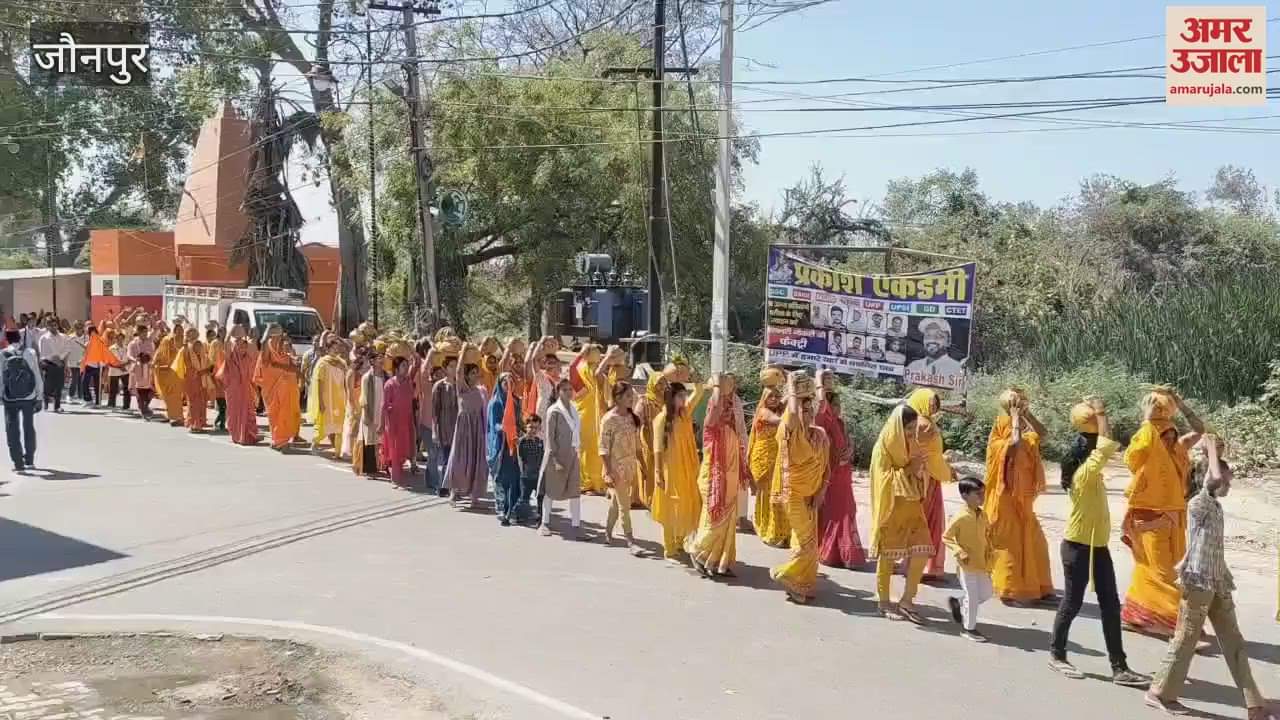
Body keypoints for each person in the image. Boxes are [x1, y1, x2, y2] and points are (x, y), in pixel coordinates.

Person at [1144, 435, 1273, 719]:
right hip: (1197, 581)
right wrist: (1211, 448)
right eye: (1226, 480)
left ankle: (1254, 704)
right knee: (1185, 638)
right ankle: (1159, 693)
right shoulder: (1198, 502)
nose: (1228, 484)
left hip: (1216, 582)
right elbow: (1212, 477)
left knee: (1234, 641)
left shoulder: (1215, 506)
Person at [1050, 398, 1150, 686]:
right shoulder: (1085, 475)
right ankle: (1057, 655)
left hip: (1097, 547)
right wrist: (1103, 413)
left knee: (1110, 604)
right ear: (1087, 455)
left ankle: (1120, 667)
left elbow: (1104, 446)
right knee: (1072, 602)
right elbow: (1107, 445)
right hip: (1078, 547)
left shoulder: (1089, 475)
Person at [1122, 388, 1204, 638]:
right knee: (1160, 571)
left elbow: (1200, 430)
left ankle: (1138, 616)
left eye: (1170, 432)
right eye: (1162, 434)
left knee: (1170, 569)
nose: (1167, 437)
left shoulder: (1179, 449)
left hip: (1175, 517)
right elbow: (1132, 456)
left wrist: (1180, 403)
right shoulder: (1145, 451)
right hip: (1149, 517)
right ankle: (1175, 623)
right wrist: (1148, 420)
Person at [984, 388, 1055, 605]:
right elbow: (1013, 445)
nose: (1020, 427)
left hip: (1024, 502)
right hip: (1004, 501)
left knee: (1036, 544)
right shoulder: (999, 442)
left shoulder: (1026, 438)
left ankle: (1039, 586)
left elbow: (1043, 434)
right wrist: (1014, 419)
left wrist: (1026, 414)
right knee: (1011, 546)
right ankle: (1009, 590)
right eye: (1015, 424)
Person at [770, 371, 829, 604]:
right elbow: (792, 414)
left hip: (811, 495)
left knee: (803, 541)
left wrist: (820, 492)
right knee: (808, 545)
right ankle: (786, 574)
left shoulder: (819, 435)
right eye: (803, 409)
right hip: (793, 494)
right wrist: (793, 389)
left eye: (810, 409)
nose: (807, 413)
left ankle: (800, 586)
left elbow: (826, 469)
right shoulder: (790, 431)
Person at [869, 403, 932, 623]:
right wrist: (908, 470)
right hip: (892, 509)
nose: (912, 433)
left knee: (921, 551)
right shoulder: (884, 448)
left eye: (914, 428)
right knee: (887, 558)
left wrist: (920, 471)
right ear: (898, 426)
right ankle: (883, 602)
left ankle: (907, 599)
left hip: (914, 507)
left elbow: (921, 470)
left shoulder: (912, 442)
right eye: (909, 428)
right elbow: (883, 481)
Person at [686, 373, 749, 576]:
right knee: (714, 512)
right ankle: (698, 551)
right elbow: (713, 416)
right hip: (715, 473)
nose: (729, 385)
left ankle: (720, 561)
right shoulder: (712, 423)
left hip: (731, 470)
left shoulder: (735, 406)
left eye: (731, 382)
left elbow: (742, 435)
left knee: (728, 516)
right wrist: (716, 389)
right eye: (725, 382)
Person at [906, 389, 955, 582]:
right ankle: (926, 566)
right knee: (928, 521)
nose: (933, 407)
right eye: (931, 403)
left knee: (921, 521)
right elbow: (929, 456)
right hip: (927, 477)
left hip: (924, 476)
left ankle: (916, 564)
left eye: (935, 404)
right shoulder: (925, 425)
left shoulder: (916, 422)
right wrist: (946, 471)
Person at [652, 380, 704, 562]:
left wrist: (696, 379)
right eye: (680, 396)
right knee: (670, 507)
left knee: (686, 503)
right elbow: (657, 449)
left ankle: (680, 541)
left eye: (684, 395)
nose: (684, 399)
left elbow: (698, 393)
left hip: (687, 469)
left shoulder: (684, 414)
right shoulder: (661, 419)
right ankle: (669, 548)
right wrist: (658, 473)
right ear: (671, 398)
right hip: (670, 470)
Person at [816, 391, 865, 568]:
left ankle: (845, 552)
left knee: (848, 509)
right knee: (836, 513)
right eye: (834, 405)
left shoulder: (840, 423)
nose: (838, 408)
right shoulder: (822, 423)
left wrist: (850, 448)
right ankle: (834, 553)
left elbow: (847, 442)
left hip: (844, 473)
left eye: (839, 404)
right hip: (831, 473)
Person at [943, 478, 994, 642]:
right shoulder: (960, 517)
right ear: (965, 495)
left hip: (982, 563)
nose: (982, 497)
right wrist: (959, 551)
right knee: (972, 598)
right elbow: (946, 537)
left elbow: (987, 535)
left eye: (983, 493)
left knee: (986, 593)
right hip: (966, 564)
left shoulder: (982, 514)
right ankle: (969, 629)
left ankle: (958, 603)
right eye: (977, 494)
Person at [600, 381, 644, 553]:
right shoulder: (609, 419)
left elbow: (637, 443)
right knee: (625, 505)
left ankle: (607, 532)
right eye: (627, 396)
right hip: (615, 468)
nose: (631, 399)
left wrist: (643, 465)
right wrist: (608, 471)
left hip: (630, 467)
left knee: (618, 503)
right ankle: (630, 540)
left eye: (631, 396)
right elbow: (603, 447)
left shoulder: (631, 418)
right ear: (617, 398)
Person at [748, 368, 790, 547]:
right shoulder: (764, 413)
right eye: (770, 396)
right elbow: (783, 422)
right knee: (768, 495)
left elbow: (790, 403)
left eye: (776, 396)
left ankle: (780, 531)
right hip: (764, 459)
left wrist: (789, 381)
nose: (774, 399)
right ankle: (768, 529)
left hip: (777, 458)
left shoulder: (780, 409)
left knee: (778, 493)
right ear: (764, 399)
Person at [444, 343, 489, 508]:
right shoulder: (461, 388)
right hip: (464, 429)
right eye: (473, 373)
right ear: (467, 375)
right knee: (460, 459)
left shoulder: (480, 390)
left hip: (477, 429)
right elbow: (458, 371)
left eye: (477, 372)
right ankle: (454, 492)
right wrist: (463, 352)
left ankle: (475, 497)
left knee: (477, 461)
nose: (476, 375)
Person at [539, 379, 585, 540]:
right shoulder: (554, 411)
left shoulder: (573, 409)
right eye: (565, 390)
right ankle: (544, 522)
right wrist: (554, 459)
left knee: (575, 491)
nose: (568, 392)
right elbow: (550, 437)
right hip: (556, 455)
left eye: (570, 389)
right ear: (558, 391)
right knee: (551, 490)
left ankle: (576, 525)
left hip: (572, 454)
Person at [255, 324, 302, 452]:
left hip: (287, 390)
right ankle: (278, 441)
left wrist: (292, 365)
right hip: (271, 389)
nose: (279, 343)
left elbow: (295, 369)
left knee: (286, 414)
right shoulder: (268, 353)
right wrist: (267, 334)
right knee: (274, 415)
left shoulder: (287, 357)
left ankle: (281, 441)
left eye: (280, 339)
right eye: (275, 340)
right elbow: (265, 360)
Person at [572, 344, 611, 495]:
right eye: (596, 352)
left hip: (592, 411)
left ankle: (594, 482)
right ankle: (590, 484)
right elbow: (596, 377)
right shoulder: (586, 368)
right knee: (589, 448)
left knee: (593, 447)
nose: (599, 355)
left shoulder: (587, 366)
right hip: (588, 412)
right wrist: (608, 358)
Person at [2, 328, 42, 471]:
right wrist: (40, 395)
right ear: (19, 337)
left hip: (10, 397)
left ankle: (18, 462)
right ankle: (29, 459)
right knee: (28, 427)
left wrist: (1, 394)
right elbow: (36, 374)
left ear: (6, 338)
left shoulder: (3, 354)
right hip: (29, 396)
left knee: (12, 428)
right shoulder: (30, 353)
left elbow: (1, 378)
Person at [489, 373, 524, 525]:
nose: (509, 383)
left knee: (515, 478)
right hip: (501, 445)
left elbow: (519, 421)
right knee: (501, 477)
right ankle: (502, 508)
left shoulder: (516, 401)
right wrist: (503, 427)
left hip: (514, 445)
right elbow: (493, 424)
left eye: (511, 380)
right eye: (505, 381)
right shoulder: (495, 403)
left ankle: (514, 508)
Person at [307, 337, 349, 457]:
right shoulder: (323, 363)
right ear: (328, 349)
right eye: (333, 348)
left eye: (338, 348)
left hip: (340, 399)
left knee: (340, 426)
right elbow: (319, 382)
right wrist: (320, 401)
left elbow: (346, 381)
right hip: (327, 398)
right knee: (323, 425)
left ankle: (337, 452)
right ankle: (315, 443)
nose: (336, 350)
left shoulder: (342, 363)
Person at [218, 324, 257, 444]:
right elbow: (226, 344)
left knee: (248, 412)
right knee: (234, 412)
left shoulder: (248, 358)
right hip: (233, 389)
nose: (242, 348)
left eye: (244, 346)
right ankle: (236, 435)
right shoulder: (231, 357)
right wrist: (231, 333)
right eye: (239, 346)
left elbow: (252, 345)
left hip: (246, 388)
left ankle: (247, 435)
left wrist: (243, 335)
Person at [382, 355, 417, 490]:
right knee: (395, 449)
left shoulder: (408, 381)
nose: (406, 368)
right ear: (396, 369)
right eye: (403, 365)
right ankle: (395, 479)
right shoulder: (389, 384)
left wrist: (413, 354)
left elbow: (416, 365)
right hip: (394, 421)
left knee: (405, 447)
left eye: (406, 365)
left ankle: (395, 469)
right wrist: (381, 424)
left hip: (406, 420)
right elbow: (384, 405)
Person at [637, 370, 668, 510]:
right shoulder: (645, 401)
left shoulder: (667, 400)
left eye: (663, 382)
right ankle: (650, 501)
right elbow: (636, 420)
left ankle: (662, 500)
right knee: (649, 470)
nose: (661, 386)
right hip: (649, 440)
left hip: (665, 440)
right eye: (658, 383)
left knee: (663, 469)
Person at [353, 345, 386, 476]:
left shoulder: (386, 376)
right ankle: (370, 468)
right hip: (370, 412)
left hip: (381, 411)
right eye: (379, 358)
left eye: (382, 357)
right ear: (372, 361)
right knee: (370, 440)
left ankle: (381, 464)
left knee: (380, 440)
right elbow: (364, 398)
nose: (381, 360)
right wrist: (366, 415)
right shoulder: (367, 377)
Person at [171, 328, 212, 432]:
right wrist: (200, 372)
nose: (193, 334)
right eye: (190, 332)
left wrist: (207, 370)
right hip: (192, 378)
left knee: (201, 401)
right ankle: (195, 424)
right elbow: (187, 365)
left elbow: (206, 359)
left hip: (201, 378)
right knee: (194, 401)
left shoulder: (200, 345)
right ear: (187, 334)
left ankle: (198, 421)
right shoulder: (186, 348)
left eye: (194, 332)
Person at [432, 354, 460, 490]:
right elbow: (435, 411)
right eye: (451, 366)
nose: (454, 369)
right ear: (445, 368)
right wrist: (435, 430)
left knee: (456, 457)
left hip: (458, 426)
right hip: (444, 426)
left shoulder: (460, 385)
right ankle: (443, 485)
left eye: (456, 366)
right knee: (445, 456)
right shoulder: (439, 386)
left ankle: (455, 486)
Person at [415, 344, 442, 492]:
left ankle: (431, 480)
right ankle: (434, 481)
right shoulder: (427, 385)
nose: (440, 375)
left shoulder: (444, 387)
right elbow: (424, 371)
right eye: (437, 373)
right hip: (426, 424)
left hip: (439, 425)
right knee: (433, 453)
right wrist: (431, 353)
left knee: (435, 454)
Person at [153, 321, 186, 426]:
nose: (181, 333)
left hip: (178, 372)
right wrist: (159, 364)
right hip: (167, 372)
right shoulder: (167, 340)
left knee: (177, 396)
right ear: (174, 330)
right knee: (171, 396)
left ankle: (178, 417)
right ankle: (174, 417)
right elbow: (160, 355)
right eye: (179, 331)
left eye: (182, 331)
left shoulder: (183, 341)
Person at [37, 318, 69, 413]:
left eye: (55, 325)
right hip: (48, 363)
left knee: (59, 385)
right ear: (47, 326)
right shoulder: (44, 338)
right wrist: (53, 358)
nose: (53, 327)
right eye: (51, 325)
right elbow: (42, 352)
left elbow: (67, 349)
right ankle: (46, 400)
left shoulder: (63, 337)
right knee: (49, 384)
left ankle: (57, 406)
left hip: (60, 362)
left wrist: (60, 358)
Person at [518, 415, 545, 523]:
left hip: (538, 475)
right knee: (524, 497)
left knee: (540, 496)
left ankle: (540, 515)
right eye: (531, 427)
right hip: (526, 475)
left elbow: (542, 457)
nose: (533, 430)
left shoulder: (539, 441)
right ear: (525, 427)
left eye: (536, 428)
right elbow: (519, 457)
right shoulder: (522, 442)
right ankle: (521, 516)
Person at [80, 325, 113, 408]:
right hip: (89, 366)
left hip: (98, 366)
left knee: (97, 385)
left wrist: (103, 363)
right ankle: (88, 400)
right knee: (84, 383)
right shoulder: (89, 342)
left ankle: (98, 402)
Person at [127, 324, 155, 420]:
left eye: (146, 332)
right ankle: (142, 409)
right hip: (137, 368)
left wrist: (150, 359)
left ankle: (145, 406)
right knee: (139, 390)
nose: (145, 334)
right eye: (143, 332)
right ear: (138, 332)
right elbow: (129, 355)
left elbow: (152, 354)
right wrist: (135, 360)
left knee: (150, 391)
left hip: (148, 368)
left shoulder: (150, 343)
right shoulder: (132, 343)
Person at [206, 327, 227, 431]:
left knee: (225, 399)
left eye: (224, 331)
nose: (223, 333)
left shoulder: (227, 343)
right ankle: (221, 422)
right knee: (220, 399)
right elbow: (211, 358)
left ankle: (220, 420)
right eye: (221, 331)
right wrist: (212, 372)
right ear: (218, 332)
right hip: (217, 373)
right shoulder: (215, 343)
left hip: (226, 373)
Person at [107, 331, 132, 411]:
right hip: (114, 371)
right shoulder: (111, 348)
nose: (120, 340)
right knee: (113, 389)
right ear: (116, 339)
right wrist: (118, 367)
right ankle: (111, 404)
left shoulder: (126, 348)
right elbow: (109, 361)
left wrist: (123, 365)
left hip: (125, 370)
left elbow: (129, 359)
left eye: (121, 339)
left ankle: (126, 405)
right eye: (118, 339)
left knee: (126, 388)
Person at [67, 322, 86, 404]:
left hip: (82, 362)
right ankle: (70, 395)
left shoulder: (87, 338)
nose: (79, 329)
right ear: (74, 328)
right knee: (74, 379)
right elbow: (67, 350)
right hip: (72, 362)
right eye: (77, 328)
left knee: (81, 380)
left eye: (80, 327)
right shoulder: (70, 337)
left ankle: (81, 397)